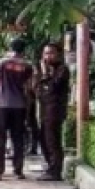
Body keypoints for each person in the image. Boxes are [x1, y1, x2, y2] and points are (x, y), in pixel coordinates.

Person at [0, 38, 36, 180]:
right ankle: (18, 170)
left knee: (0, 139)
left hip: (2, 105)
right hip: (19, 106)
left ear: (10, 48)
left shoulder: (2, 63)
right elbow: (28, 88)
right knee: (18, 139)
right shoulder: (27, 66)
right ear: (23, 50)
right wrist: (28, 107)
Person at [36, 42, 72, 181]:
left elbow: (54, 87)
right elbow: (38, 88)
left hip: (55, 109)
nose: (48, 56)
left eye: (51, 53)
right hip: (44, 109)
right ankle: (51, 166)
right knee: (43, 139)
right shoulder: (43, 70)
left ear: (58, 55)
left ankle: (55, 170)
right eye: (45, 53)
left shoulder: (62, 69)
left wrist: (46, 73)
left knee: (52, 140)